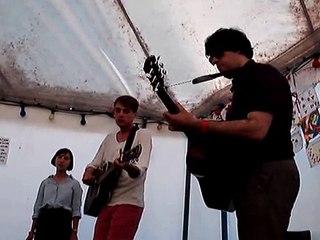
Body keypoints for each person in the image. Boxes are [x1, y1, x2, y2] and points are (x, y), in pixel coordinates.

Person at [163, 28, 300, 240]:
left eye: (218, 53)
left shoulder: (260, 75)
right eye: (211, 58)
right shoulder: (244, 83)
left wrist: (198, 125)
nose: (214, 60)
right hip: (259, 175)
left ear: (238, 49)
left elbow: (256, 129)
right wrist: (192, 126)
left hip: (268, 174)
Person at [82, 95, 152, 240]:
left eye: (126, 111)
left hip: (129, 202)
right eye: (118, 110)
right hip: (106, 201)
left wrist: (126, 166)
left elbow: (140, 169)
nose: (121, 114)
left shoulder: (142, 135)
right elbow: (94, 163)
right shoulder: (109, 138)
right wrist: (88, 173)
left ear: (134, 115)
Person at [26, 148, 83, 240]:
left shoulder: (74, 184)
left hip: (63, 221)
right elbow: (37, 207)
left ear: (70, 163)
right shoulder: (45, 183)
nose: (62, 160)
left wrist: (74, 232)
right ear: (55, 159)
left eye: (66, 158)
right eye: (59, 157)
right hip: (44, 220)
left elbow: (76, 210)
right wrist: (32, 231)